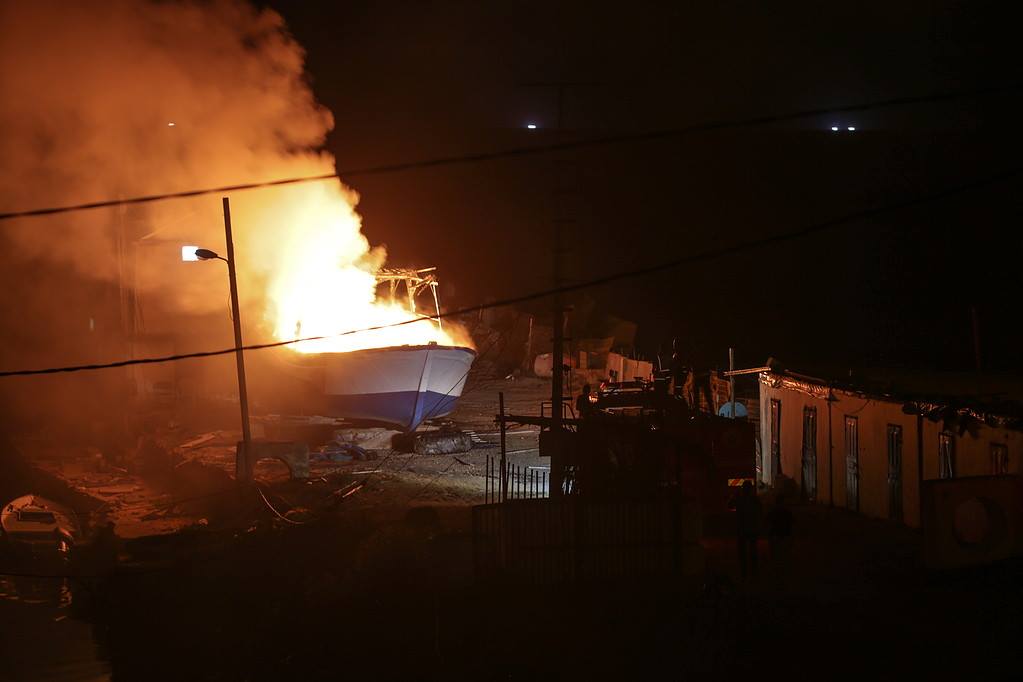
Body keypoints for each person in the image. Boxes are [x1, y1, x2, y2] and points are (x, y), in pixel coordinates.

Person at [735, 481, 762, 580]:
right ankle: (754, 572)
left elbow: (730, 505)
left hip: (742, 529)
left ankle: (744, 572)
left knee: (743, 552)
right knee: (753, 551)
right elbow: (760, 512)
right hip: (752, 529)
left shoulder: (740, 500)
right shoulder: (755, 500)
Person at [767, 493, 794, 583]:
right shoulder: (787, 512)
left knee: (776, 556)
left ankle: (776, 575)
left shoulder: (773, 511)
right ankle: (783, 574)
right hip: (784, 535)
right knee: (784, 556)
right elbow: (791, 524)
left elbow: (768, 522)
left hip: (775, 535)